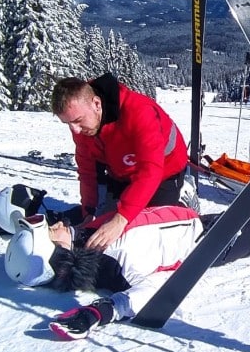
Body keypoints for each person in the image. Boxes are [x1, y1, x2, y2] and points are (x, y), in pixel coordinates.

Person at [3, 203, 250, 339]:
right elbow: (153, 288)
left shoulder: (94, 243)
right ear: (57, 250)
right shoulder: (119, 247)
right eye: (49, 230)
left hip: (202, 228)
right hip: (208, 242)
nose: (54, 223)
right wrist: (102, 311)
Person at [51, 75, 191, 253]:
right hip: (121, 171)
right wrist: (89, 214)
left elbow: (150, 170)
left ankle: (184, 195)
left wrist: (121, 218)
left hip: (165, 171)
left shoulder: (139, 111)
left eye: (77, 120)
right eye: (68, 123)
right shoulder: (83, 128)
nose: (75, 130)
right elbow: (88, 172)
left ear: (96, 104)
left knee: (150, 232)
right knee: (105, 229)